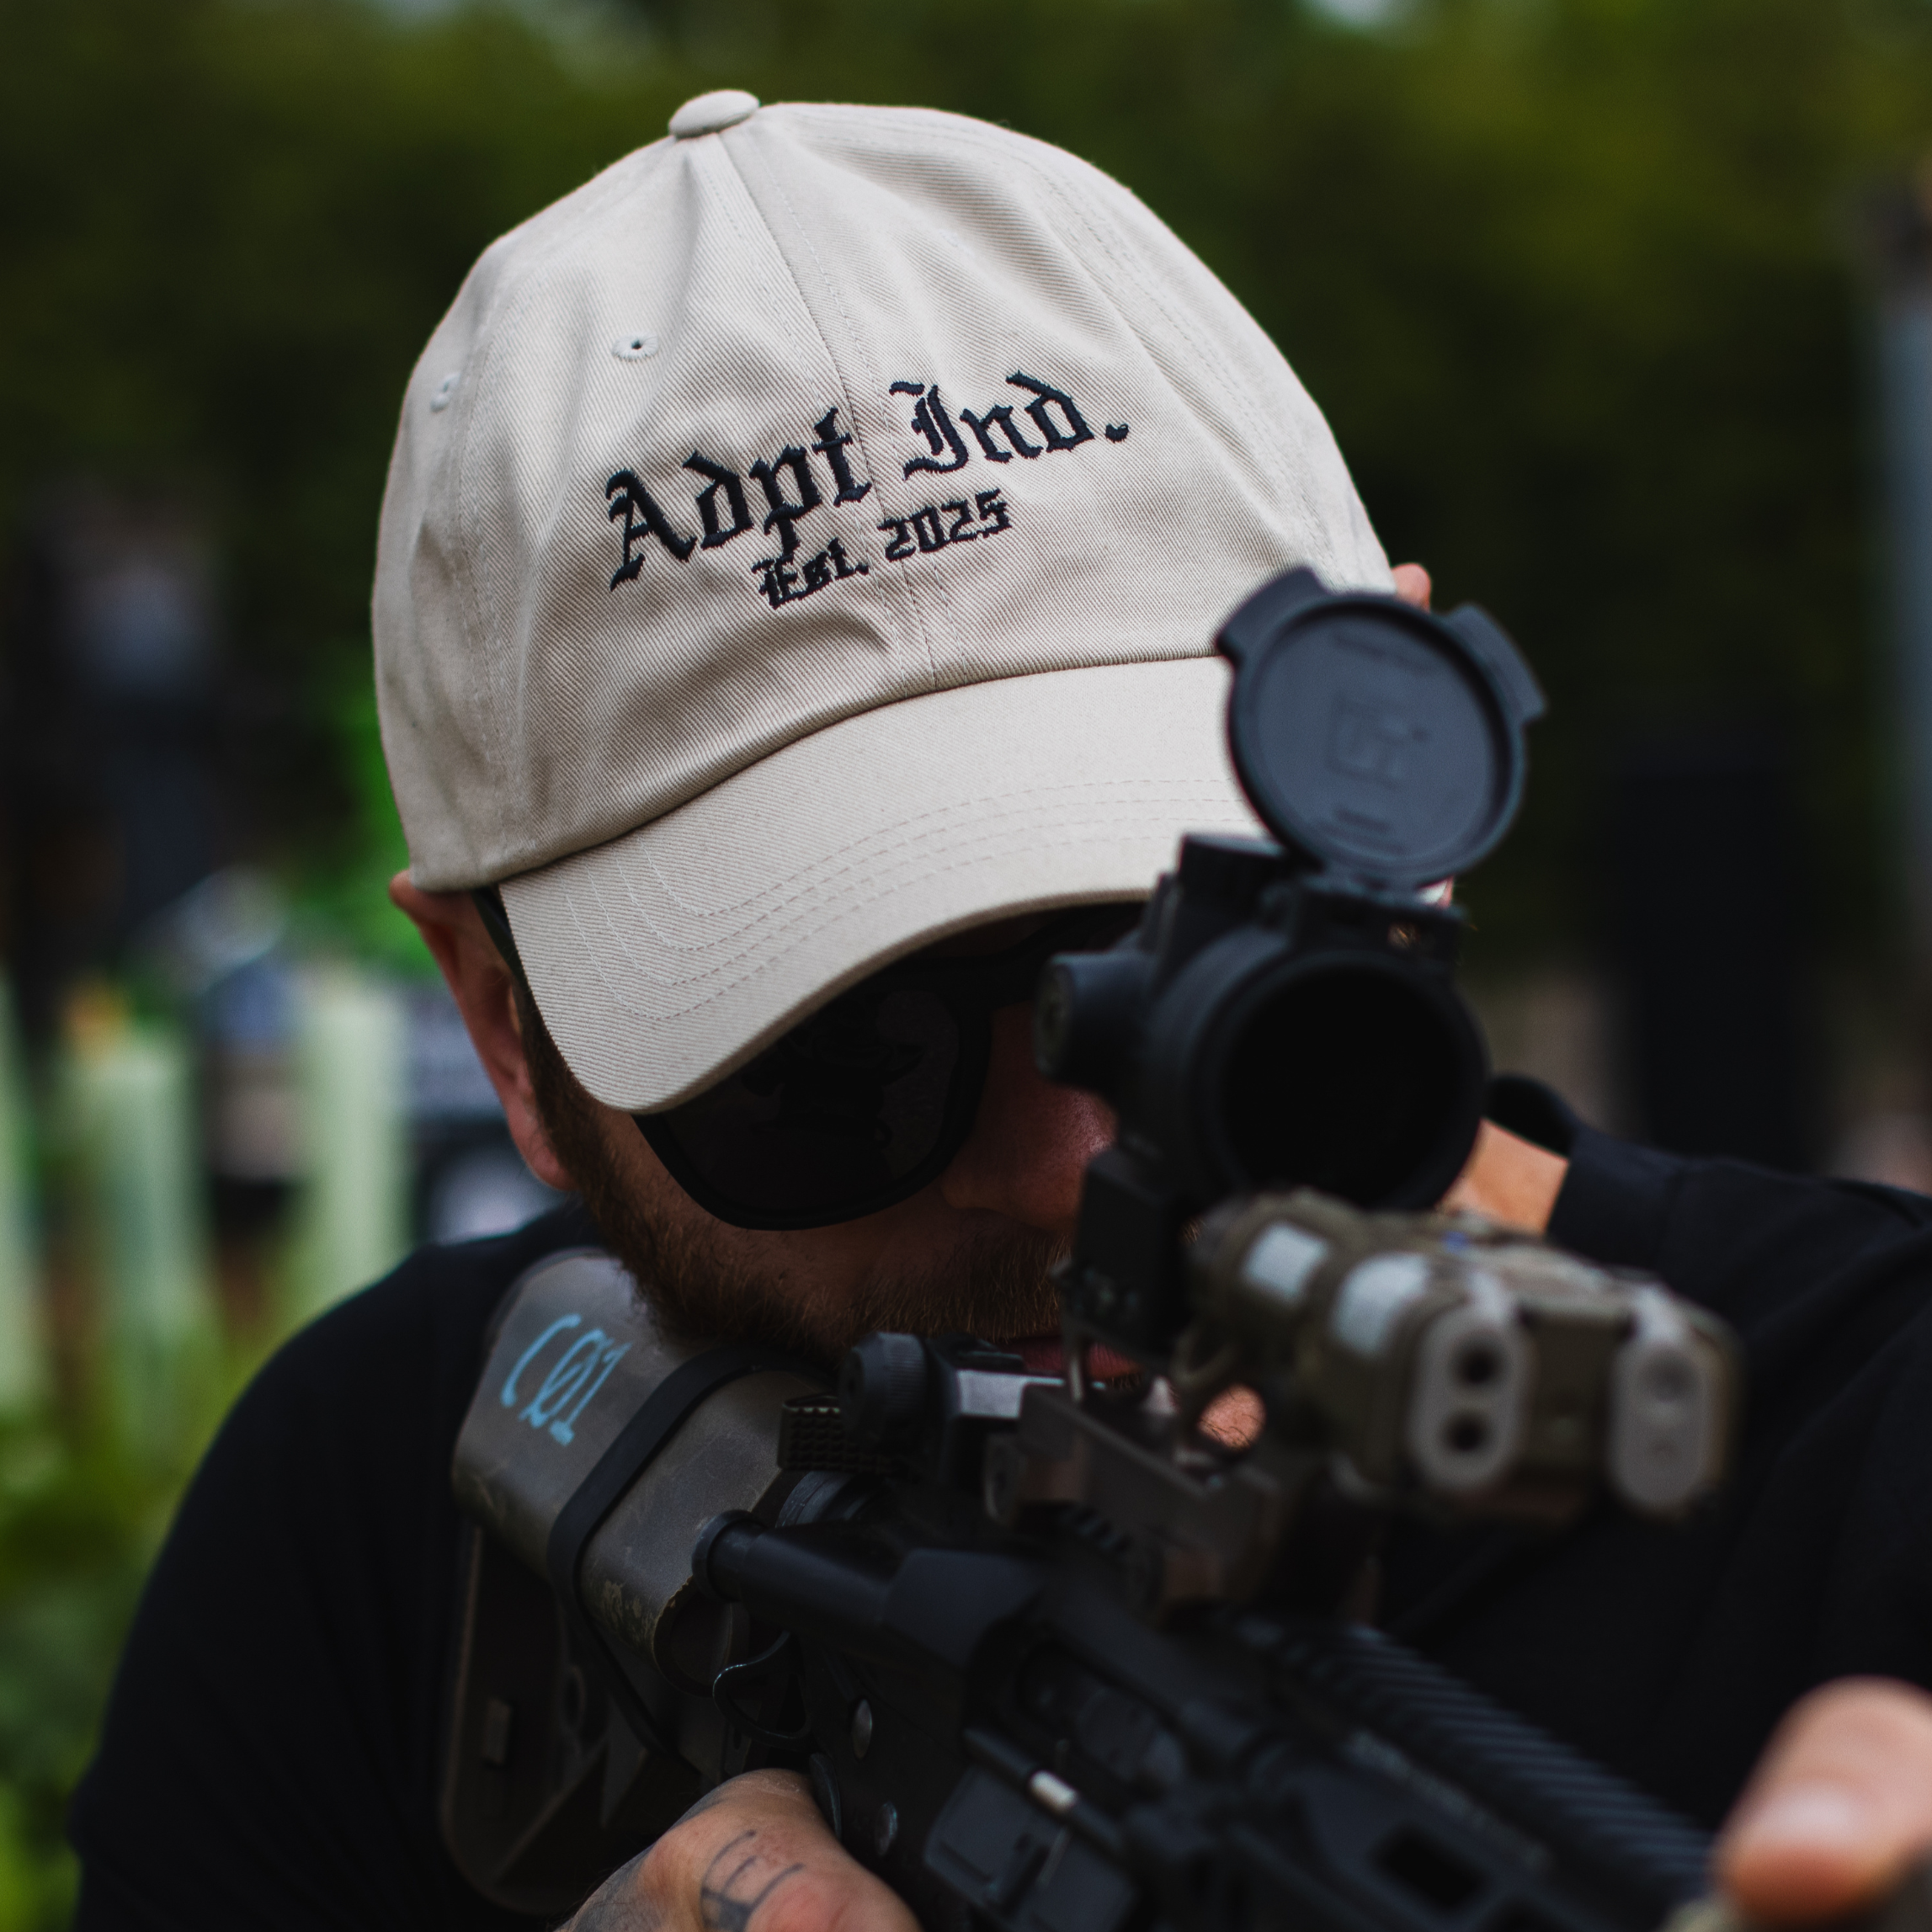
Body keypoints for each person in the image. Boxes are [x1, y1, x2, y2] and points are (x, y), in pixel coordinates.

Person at [63, 88, 1932, 1932]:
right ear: (503, 1022)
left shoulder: (1878, 1447)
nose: (1065, 1162)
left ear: (1402, 789)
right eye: (838, 1054)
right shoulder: (375, 1510)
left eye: (1189, 965)